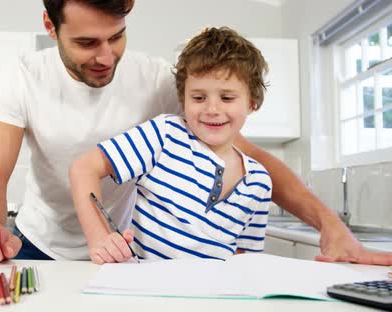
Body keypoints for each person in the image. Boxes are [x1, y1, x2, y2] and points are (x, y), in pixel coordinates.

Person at [0, 0, 392, 265]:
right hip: (43, 241)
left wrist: (331, 225)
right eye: (85, 43)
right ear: (49, 26)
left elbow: (255, 159)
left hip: (128, 251)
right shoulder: (22, 76)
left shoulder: (155, 79)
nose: (106, 56)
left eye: (116, 37)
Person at [70, 26, 273, 262]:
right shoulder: (165, 134)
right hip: (146, 291)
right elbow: (83, 169)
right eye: (198, 98)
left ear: (252, 103)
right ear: (182, 99)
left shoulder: (259, 182)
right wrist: (99, 238)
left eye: (227, 98)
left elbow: (245, 259)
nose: (212, 109)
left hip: (212, 297)